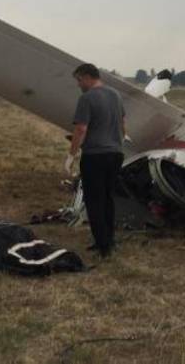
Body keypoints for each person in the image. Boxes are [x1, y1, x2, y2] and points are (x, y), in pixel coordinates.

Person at [67, 63, 125, 258]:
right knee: (108, 199)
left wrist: (71, 155)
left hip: (95, 156)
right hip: (116, 154)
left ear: (87, 77)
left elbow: (81, 129)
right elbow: (123, 124)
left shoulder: (87, 98)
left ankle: (103, 246)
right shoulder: (115, 95)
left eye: (79, 80)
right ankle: (109, 240)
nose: (78, 84)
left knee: (94, 200)